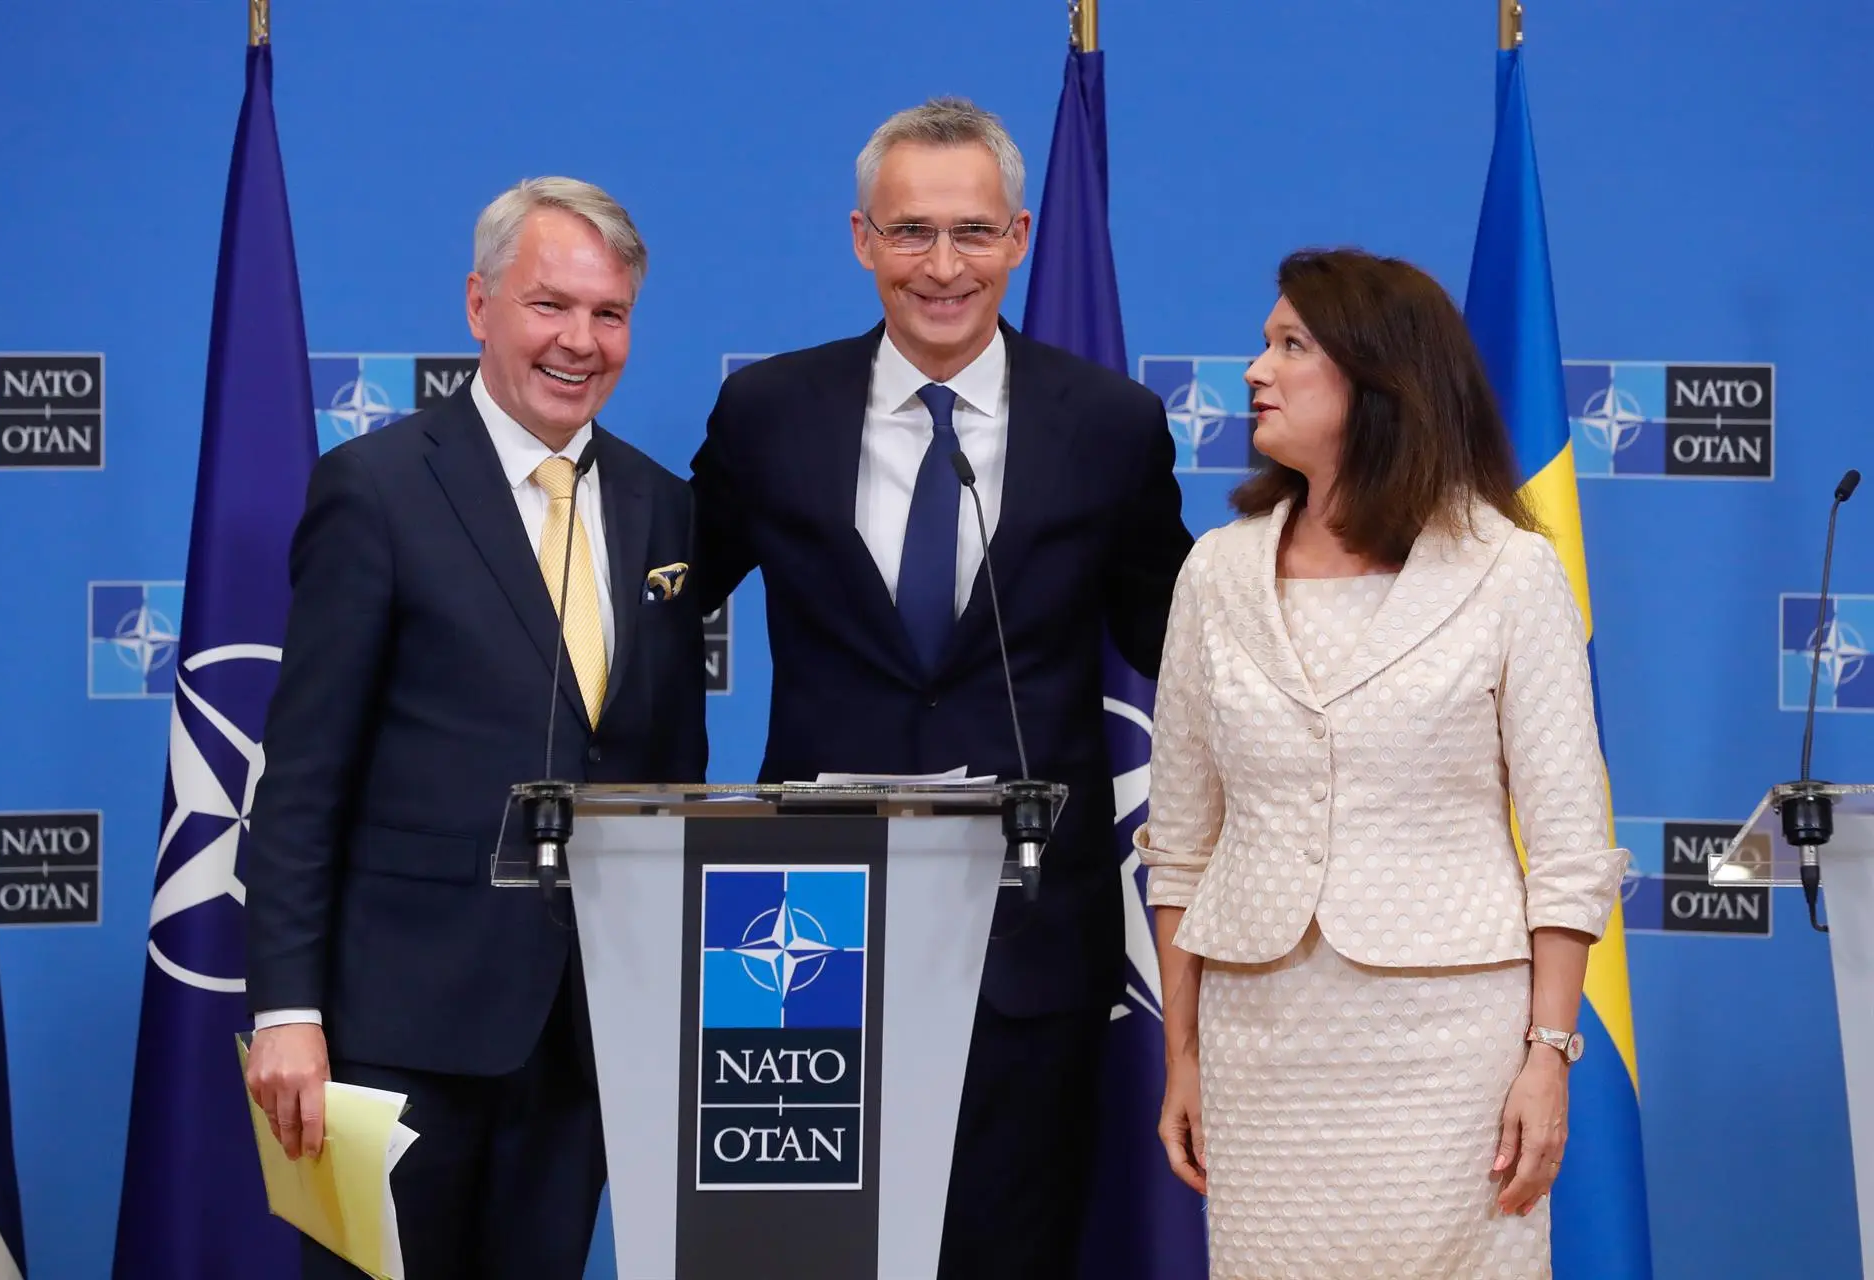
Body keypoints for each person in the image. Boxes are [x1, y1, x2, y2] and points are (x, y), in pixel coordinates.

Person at [688, 97, 1194, 1276]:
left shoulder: (1111, 424)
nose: (944, 265)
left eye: (972, 231)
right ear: (861, 239)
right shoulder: (769, 412)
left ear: (1019, 237)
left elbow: (1182, 642)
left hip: (1029, 932)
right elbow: (659, 608)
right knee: (796, 1256)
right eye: (911, 231)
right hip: (796, 931)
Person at [242, 177, 708, 1280]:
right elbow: (303, 777)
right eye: (551, 305)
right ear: (478, 305)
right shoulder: (377, 489)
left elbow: (668, 771)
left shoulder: (662, 506)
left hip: (586, 1033)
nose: (580, 341)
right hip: (396, 1034)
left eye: (609, 313)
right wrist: (288, 1009)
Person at [1138, 247, 1629, 1278]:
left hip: (1450, 1051)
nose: (1255, 371)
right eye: (1264, 344)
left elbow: (1571, 848)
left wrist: (1547, 1056)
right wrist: (1182, 1054)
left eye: (1291, 346)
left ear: (1380, 378)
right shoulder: (1215, 571)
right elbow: (1179, 848)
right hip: (1259, 1044)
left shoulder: (1507, 571)